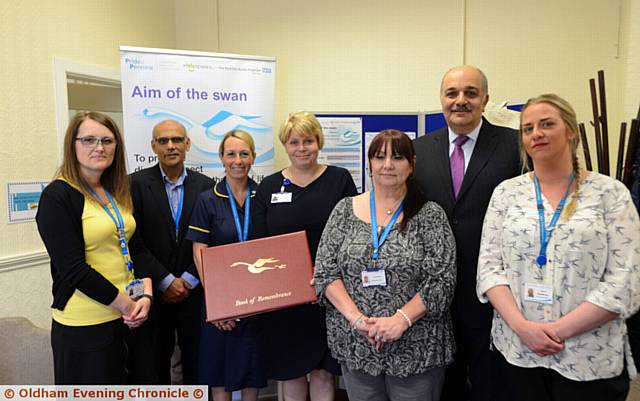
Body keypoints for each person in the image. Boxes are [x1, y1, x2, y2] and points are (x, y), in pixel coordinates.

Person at [476, 94, 640, 401]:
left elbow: (626, 281)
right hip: (517, 351)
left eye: (547, 124)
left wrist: (557, 331)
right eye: (528, 128)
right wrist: (523, 328)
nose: (536, 133)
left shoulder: (610, 194)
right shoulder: (507, 194)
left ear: (570, 130)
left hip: (586, 355)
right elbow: (489, 268)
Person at [314, 130, 457, 401]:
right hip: (357, 341)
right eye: (380, 157)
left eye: (397, 157)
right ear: (370, 164)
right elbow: (325, 271)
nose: (388, 164)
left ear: (412, 164)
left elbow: (442, 280)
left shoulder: (430, 215)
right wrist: (357, 320)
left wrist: (400, 320)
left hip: (417, 344)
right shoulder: (344, 210)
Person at [413, 65, 521, 401]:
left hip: (493, 291)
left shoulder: (515, 146)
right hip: (432, 292)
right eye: (452, 93)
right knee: (445, 383)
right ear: (441, 99)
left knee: (492, 382)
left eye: (470, 93)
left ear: (485, 99)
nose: (461, 100)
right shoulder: (418, 150)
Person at [36, 111, 153, 384]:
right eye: (88, 140)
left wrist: (145, 297)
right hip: (87, 326)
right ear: (72, 145)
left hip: (130, 317)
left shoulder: (116, 191)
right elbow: (73, 269)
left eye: (107, 140)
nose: (99, 147)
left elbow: (138, 252)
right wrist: (127, 306)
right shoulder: (57, 196)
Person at [253, 111, 358, 401]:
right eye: (294, 142)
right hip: (286, 296)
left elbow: (353, 235)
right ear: (285, 145)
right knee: (291, 370)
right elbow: (260, 242)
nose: (302, 148)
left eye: (308, 141)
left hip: (330, 293)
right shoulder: (269, 186)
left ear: (319, 142)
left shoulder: (340, 180)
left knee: (325, 371)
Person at [129, 119, 213, 384]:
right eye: (163, 141)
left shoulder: (207, 186)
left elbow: (213, 239)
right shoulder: (134, 185)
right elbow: (134, 242)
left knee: (198, 363)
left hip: (196, 291)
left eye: (177, 140)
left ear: (187, 144)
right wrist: (166, 281)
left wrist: (187, 280)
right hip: (153, 293)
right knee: (154, 365)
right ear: (153, 146)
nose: (170, 146)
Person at [187, 130, 266, 401]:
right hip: (218, 302)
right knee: (217, 372)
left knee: (251, 371)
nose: (238, 160)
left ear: (253, 157)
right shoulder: (207, 199)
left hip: (257, 300)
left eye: (244, 153)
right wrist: (219, 305)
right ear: (221, 158)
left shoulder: (263, 197)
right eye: (231, 154)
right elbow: (199, 253)